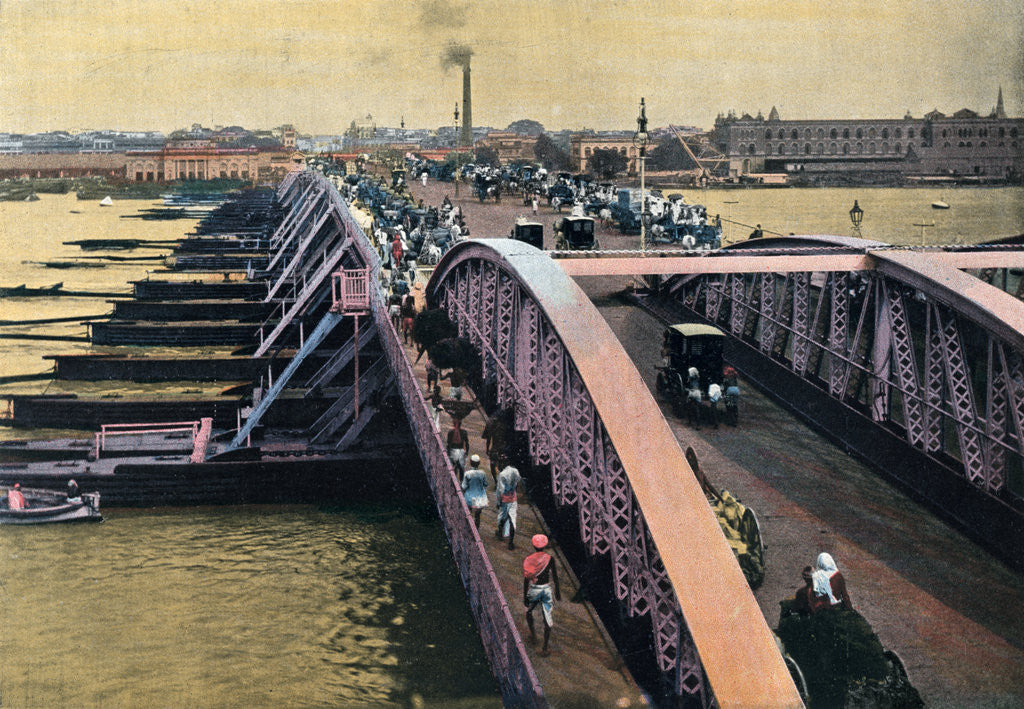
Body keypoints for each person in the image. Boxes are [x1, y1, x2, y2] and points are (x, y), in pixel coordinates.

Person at [523, 534, 561, 657]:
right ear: (544, 546)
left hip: (534, 589)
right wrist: (557, 592)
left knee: (529, 612)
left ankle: (533, 635)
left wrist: (525, 596)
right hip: (546, 589)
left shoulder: (529, 559)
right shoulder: (550, 559)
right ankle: (544, 647)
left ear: (534, 545)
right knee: (547, 619)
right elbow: (554, 577)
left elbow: (526, 579)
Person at [495, 459, 522, 550]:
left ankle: (500, 532)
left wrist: (498, 502)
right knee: (512, 520)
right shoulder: (515, 471)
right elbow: (518, 482)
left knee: (503, 517)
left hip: (505, 500)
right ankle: (510, 542)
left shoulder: (502, 475)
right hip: (513, 498)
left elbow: (500, 491)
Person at [461, 454, 489, 528]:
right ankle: (476, 530)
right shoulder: (482, 473)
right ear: (479, 463)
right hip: (480, 497)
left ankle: (468, 527)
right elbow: (485, 484)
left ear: (470, 462)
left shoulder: (467, 474)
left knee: (468, 513)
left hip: (469, 497)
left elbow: (464, 486)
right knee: (477, 516)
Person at [481, 412, 507, 478]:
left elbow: (488, 439)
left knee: (493, 464)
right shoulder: (503, 426)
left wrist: (487, 449)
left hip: (495, 449)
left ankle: (496, 480)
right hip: (502, 448)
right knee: (501, 465)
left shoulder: (491, 425)